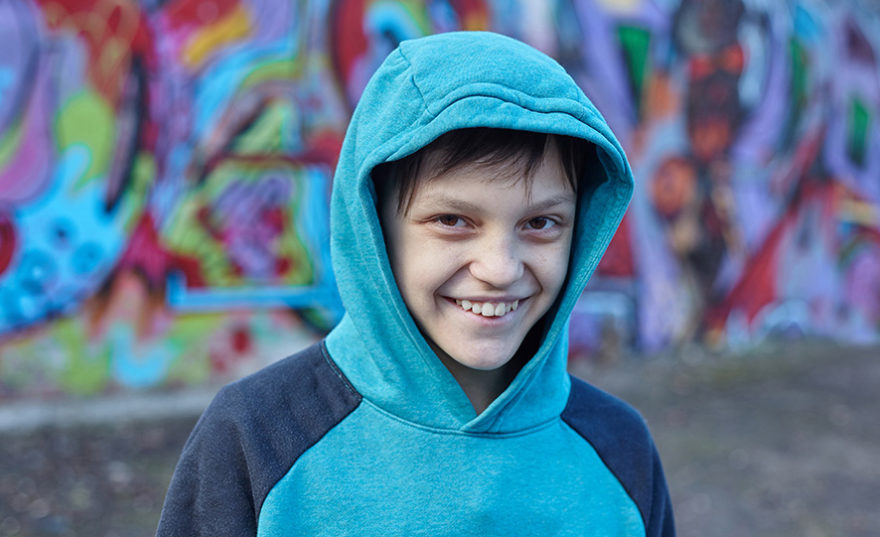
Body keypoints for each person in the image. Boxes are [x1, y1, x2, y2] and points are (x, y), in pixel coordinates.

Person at [157, 31, 675, 536]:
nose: (500, 269)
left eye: (540, 223)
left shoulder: (620, 451)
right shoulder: (256, 438)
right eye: (452, 220)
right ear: (375, 227)